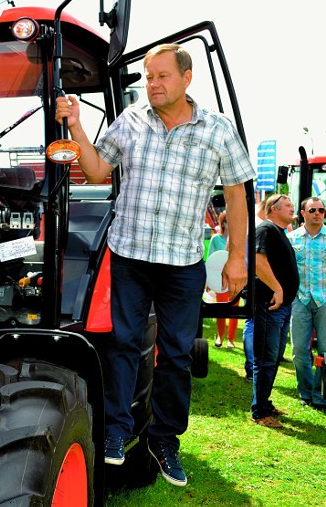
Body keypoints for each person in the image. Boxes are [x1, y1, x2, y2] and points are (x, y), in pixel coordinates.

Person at [55, 43, 254, 486]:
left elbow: (238, 195)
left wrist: (238, 255)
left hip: (182, 262)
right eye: (148, 76)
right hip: (130, 254)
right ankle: (116, 432)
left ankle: (164, 440)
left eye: (162, 76)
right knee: (123, 343)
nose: (153, 84)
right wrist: (77, 125)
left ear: (187, 78)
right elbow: (95, 171)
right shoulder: (130, 121)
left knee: (177, 356)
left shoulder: (218, 130)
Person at [250, 194, 299, 428]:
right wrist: (278, 289)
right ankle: (259, 412)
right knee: (266, 359)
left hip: (282, 306)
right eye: (288, 205)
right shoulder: (266, 229)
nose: (293, 208)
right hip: (270, 304)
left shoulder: (279, 231)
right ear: (273, 209)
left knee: (274, 357)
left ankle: (265, 404)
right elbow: (259, 262)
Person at [286, 196, 326, 410]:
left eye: (321, 210)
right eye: (312, 210)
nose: (317, 213)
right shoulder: (291, 239)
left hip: (325, 300)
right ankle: (306, 392)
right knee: (299, 351)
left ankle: (320, 395)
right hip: (300, 300)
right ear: (303, 213)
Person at [244, 198, 268, 380]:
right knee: (253, 323)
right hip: (256, 280)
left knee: (251, 322)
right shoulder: (261, 227)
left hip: (248, 277)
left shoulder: (247, 223)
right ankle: (253, 366)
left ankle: (252, 366)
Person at [208, 211, 238, 348]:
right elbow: (210, 258)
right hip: (219, 279)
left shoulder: (238, 239)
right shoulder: (215, 239)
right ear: (224, 223)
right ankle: (220, 336)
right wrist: (208, 279)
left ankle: (231, 340)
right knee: (220, 309)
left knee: (234, 309)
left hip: (235, 278)